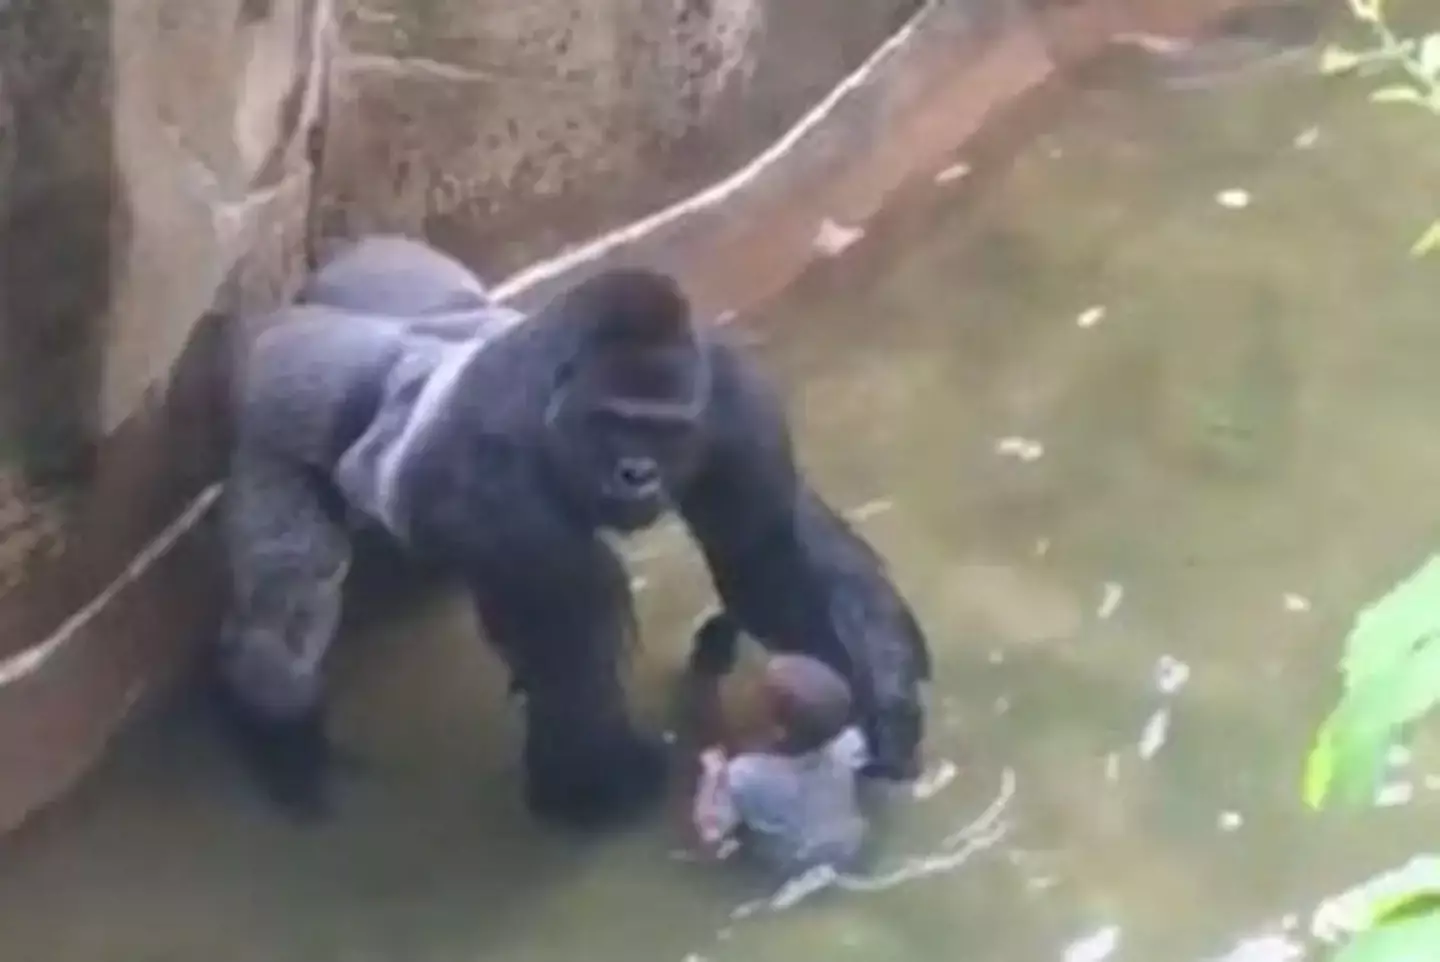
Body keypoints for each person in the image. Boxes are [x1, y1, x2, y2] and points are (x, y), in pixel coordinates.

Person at [681, 612, 870, 876]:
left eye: (757, 692)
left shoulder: (744, 775)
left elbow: (711, 836)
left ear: (777, 730)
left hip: (790, 864)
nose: (748, 691)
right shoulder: (849, 745)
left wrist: (713, 775)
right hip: (849, 846)